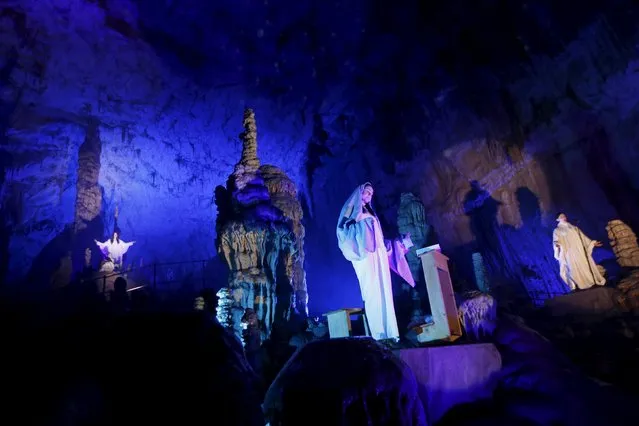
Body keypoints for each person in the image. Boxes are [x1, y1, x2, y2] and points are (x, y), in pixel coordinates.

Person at [336, 183, 414, 341]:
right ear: (359, 194)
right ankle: (378, 335)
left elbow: (379, 242)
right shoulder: (352, 212)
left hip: (378, 257)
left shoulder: (372, 215)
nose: (368, 196)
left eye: (371, 194)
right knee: (372, 293)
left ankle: (391, 333)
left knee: (384, 292)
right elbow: (342, 233)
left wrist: (400, 243)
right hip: (365, 256)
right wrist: (363, 230)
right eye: (366, 192)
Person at [553, 213, 605, 290]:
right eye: (561, 217)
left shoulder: (574, 227)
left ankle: (590, 283)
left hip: (580, 251)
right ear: (557, 219)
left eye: (564, 216)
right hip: (570, 252)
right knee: (573, 269)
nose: (564, 217)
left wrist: (592, 243)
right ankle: (578, 285)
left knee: (585, 265)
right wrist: (557, 245)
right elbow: (556, 240)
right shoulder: (557, 230)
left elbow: (583, 237)